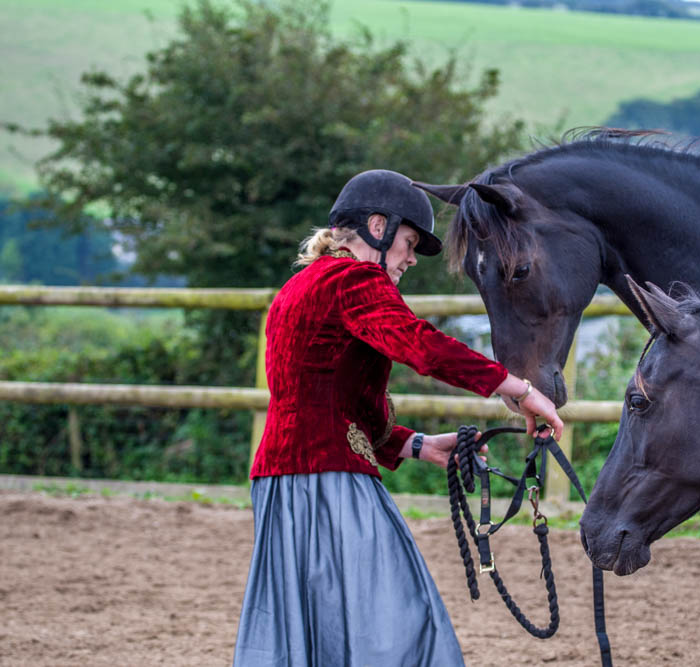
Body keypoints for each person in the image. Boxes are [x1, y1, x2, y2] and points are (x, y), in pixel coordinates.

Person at [233, 169, 563, 666]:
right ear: (377, 226)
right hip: (328, 479)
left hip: (283, 481)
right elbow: (420, 345)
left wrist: (417, 445)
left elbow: (337, 404)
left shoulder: (300, 287)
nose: (410, 259)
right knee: (400, 615)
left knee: (309, 631)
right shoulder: (353, 280)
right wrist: (519, 390)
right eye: (409, 244)